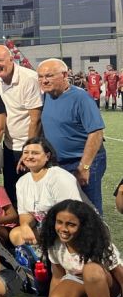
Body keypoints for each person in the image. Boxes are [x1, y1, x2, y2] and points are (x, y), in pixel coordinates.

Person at [36, 200, 123, 297]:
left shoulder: (99, 245)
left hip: (106, 285)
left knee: (91, 270)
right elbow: (57, 276)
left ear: (83, 226)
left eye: (71, 224)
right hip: (79, 282)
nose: (64, 229)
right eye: (59, 222)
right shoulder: (54, 243)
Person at [38, 58, 106, 214]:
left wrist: (85, 166)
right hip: (59, 163)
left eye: (49, 76)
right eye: (40, 76)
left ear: (64, 75)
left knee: (89, 208)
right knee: (66, 208)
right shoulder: (47, 96)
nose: (44, 80)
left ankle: (101, 238)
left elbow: (96, 133)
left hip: (83, 160)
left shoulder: (81, 98)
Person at [0, 45, 43, 204]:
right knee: (12, 192)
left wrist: (29, 152)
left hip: (27, 147)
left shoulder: (28, 78)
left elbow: (35, 119)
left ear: (11, 59)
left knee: (31, 196)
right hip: (9, 146)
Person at [9, 137, 84, 247]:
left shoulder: (59, 177)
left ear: (47, 156)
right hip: (47, 229)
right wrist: (25, 226)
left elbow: (72, 214)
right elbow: (25, 213)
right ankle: (39, 260)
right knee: (17, 234)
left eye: (35, 153)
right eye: (26, 153)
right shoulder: (22, 181)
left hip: (71, 229)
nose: (29, 156)